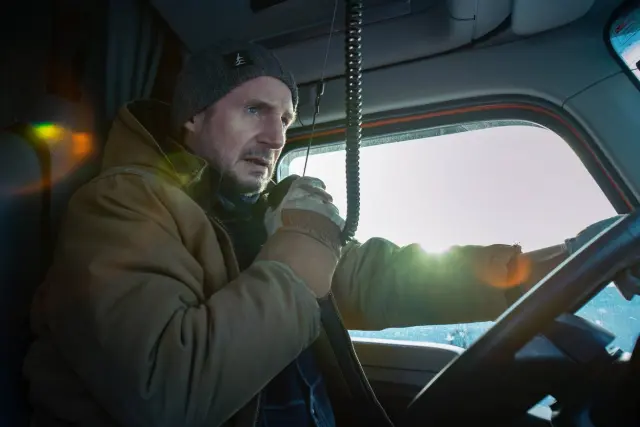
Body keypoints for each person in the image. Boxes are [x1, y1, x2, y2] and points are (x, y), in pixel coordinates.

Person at [22, 40, 603, 427]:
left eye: (285, 119)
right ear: (193, 117)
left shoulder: (256, 215)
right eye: (255, 110)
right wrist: (302, 246)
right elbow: (167, 392)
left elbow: (381, 276)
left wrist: (541, 268)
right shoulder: (121, 204)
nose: (277, 137)